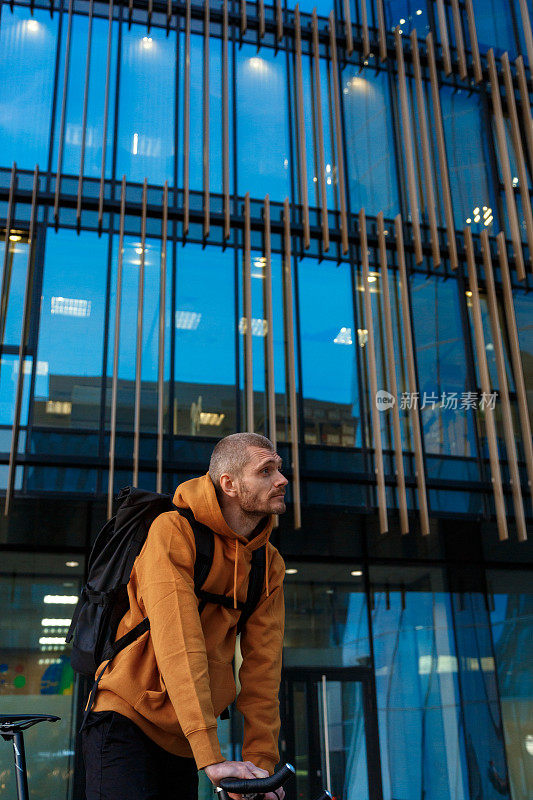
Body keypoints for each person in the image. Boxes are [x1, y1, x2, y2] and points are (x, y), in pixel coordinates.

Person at [82, 432, 288, 800]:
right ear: (230, 484)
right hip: (124, 715)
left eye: (280, 469)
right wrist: (210, 753)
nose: (282, 479)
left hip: (182, 735)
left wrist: (260, 767)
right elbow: (179, 642)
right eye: (266, 470)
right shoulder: (172, 531)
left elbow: (264, 667)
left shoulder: (267, 563)